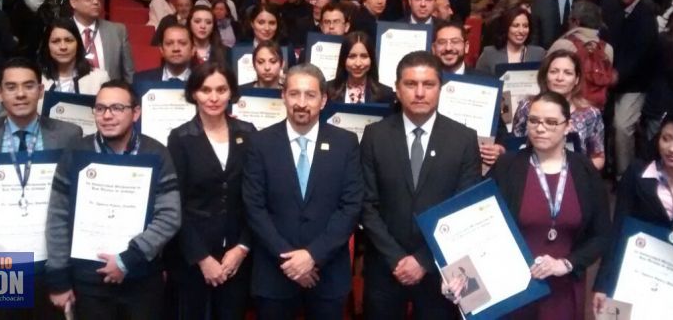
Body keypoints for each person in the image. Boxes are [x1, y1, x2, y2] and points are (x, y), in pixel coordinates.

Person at [0, 57, 83, 319]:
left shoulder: (69, 134)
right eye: (11, 87)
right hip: (1, 261)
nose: (21, 94)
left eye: (28, 86)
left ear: (41, 90)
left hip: (52, 257)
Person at [45, 80, 181, 318]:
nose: (107, 116)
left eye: (117, 108)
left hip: (141, 278)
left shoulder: (156, 153)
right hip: (88, 282)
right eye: (100, 108)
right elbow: (58, 216)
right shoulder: (75, 153)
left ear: (136, 112)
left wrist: (128, 260)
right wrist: (58, 278)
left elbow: (170, 215)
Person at [361, 51, 481, 319]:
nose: (419, 92)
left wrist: (424, 260)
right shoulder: (374, 136)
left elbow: (464, 208)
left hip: (441, 268)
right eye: (410, 84)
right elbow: (366, 205)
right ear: (397, 89)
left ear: (441, 88)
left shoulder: (463, 139)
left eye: (428, 85)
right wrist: (396, 259)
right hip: (386, 266)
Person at [243, 63, 363, 319]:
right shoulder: (259, 143)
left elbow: (351, 207)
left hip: (328, 274)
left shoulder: (346, 143)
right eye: (294, 94)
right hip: (274, 275)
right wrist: (290, 261)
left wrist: (313, 256)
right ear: (283, 96)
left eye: (310, 95)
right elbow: (254, 208)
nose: (301, 102)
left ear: (323, 100)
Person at [483, 91, 610, 319]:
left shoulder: (584, 170)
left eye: (551, 122)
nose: (540, 128)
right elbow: (480, 222)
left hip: (563, 287)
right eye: (534, 121)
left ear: (568, 126)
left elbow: (601, 235)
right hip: (513, 287)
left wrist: (569, 263)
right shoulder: (507, 166)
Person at [592, 106, 673, 315]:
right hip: (634, 273)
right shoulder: (637, 173)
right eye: (666, 138)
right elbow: (617, 230)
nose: (672, 148)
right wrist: (603, 285)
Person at [165, 62, 256, 319]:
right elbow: (175, 204)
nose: (214, 97)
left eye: (221, 89)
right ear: (194, 93)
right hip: (193, 255)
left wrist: (242, 248)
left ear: (231, 93)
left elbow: (256, 197)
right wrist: (202, 258)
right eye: (206, 90)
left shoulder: (248, 133)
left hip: (237, 255)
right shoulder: (180, 138)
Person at [602, 0, 659, 175]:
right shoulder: (616, 9)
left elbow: (641, 53)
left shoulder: (645, 15)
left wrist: (618, 74)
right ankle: (611, 166)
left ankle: (625, 175)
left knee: (622, 127)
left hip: (635, 83)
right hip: (614, 79)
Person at [512, 50, 606, 169]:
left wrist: (579, 174)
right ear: (545, 75)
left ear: (577, 79)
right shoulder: (527, 107)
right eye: (554, 72)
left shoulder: (590, 114)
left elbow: (598, 156)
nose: (559, 78)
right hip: (529, 174)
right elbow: (513, 147)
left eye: (567, 73)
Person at [68, 0, 135, 83]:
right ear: (73, 2)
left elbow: (129, 73)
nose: (96, 2)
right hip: (71, 95)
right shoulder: (61, 31)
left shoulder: (117, 31)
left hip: (110, 95)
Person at [38, 17, 110, 94]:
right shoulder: (38, 79)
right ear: (47, 46)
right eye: (56, 41)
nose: (63, 47)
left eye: (68, 40)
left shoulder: (99, 78)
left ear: (78, 44)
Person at [326, 31, 393, 104]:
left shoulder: (385, 94)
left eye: (364, 56)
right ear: (343, 59)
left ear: (371, 59)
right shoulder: (327, 90)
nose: (358, 63)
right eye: (352, 56)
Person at [476, 6, 545, 76]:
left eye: (525, 26)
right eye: (515, 26)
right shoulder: (489, 54)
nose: (521, 31)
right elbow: (479, 82)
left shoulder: (539, 54)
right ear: (506, 27)